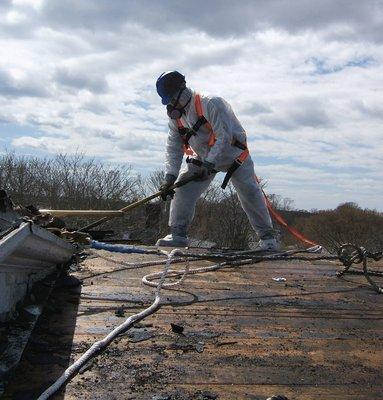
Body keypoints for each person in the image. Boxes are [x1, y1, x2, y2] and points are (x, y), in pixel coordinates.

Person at [155, 70, 278, 250]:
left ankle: (268, 239)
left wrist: (210, 163)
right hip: (204, 157)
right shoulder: (177, 118)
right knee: (182, 188)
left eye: (173, 98)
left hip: (233, 154)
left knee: (250, 193)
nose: (172, 103)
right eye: (169, 100)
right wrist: (170, 177)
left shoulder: (211, 103)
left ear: (183, 89)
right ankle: (178, 234)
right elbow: (173, 146)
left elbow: (224, 137)